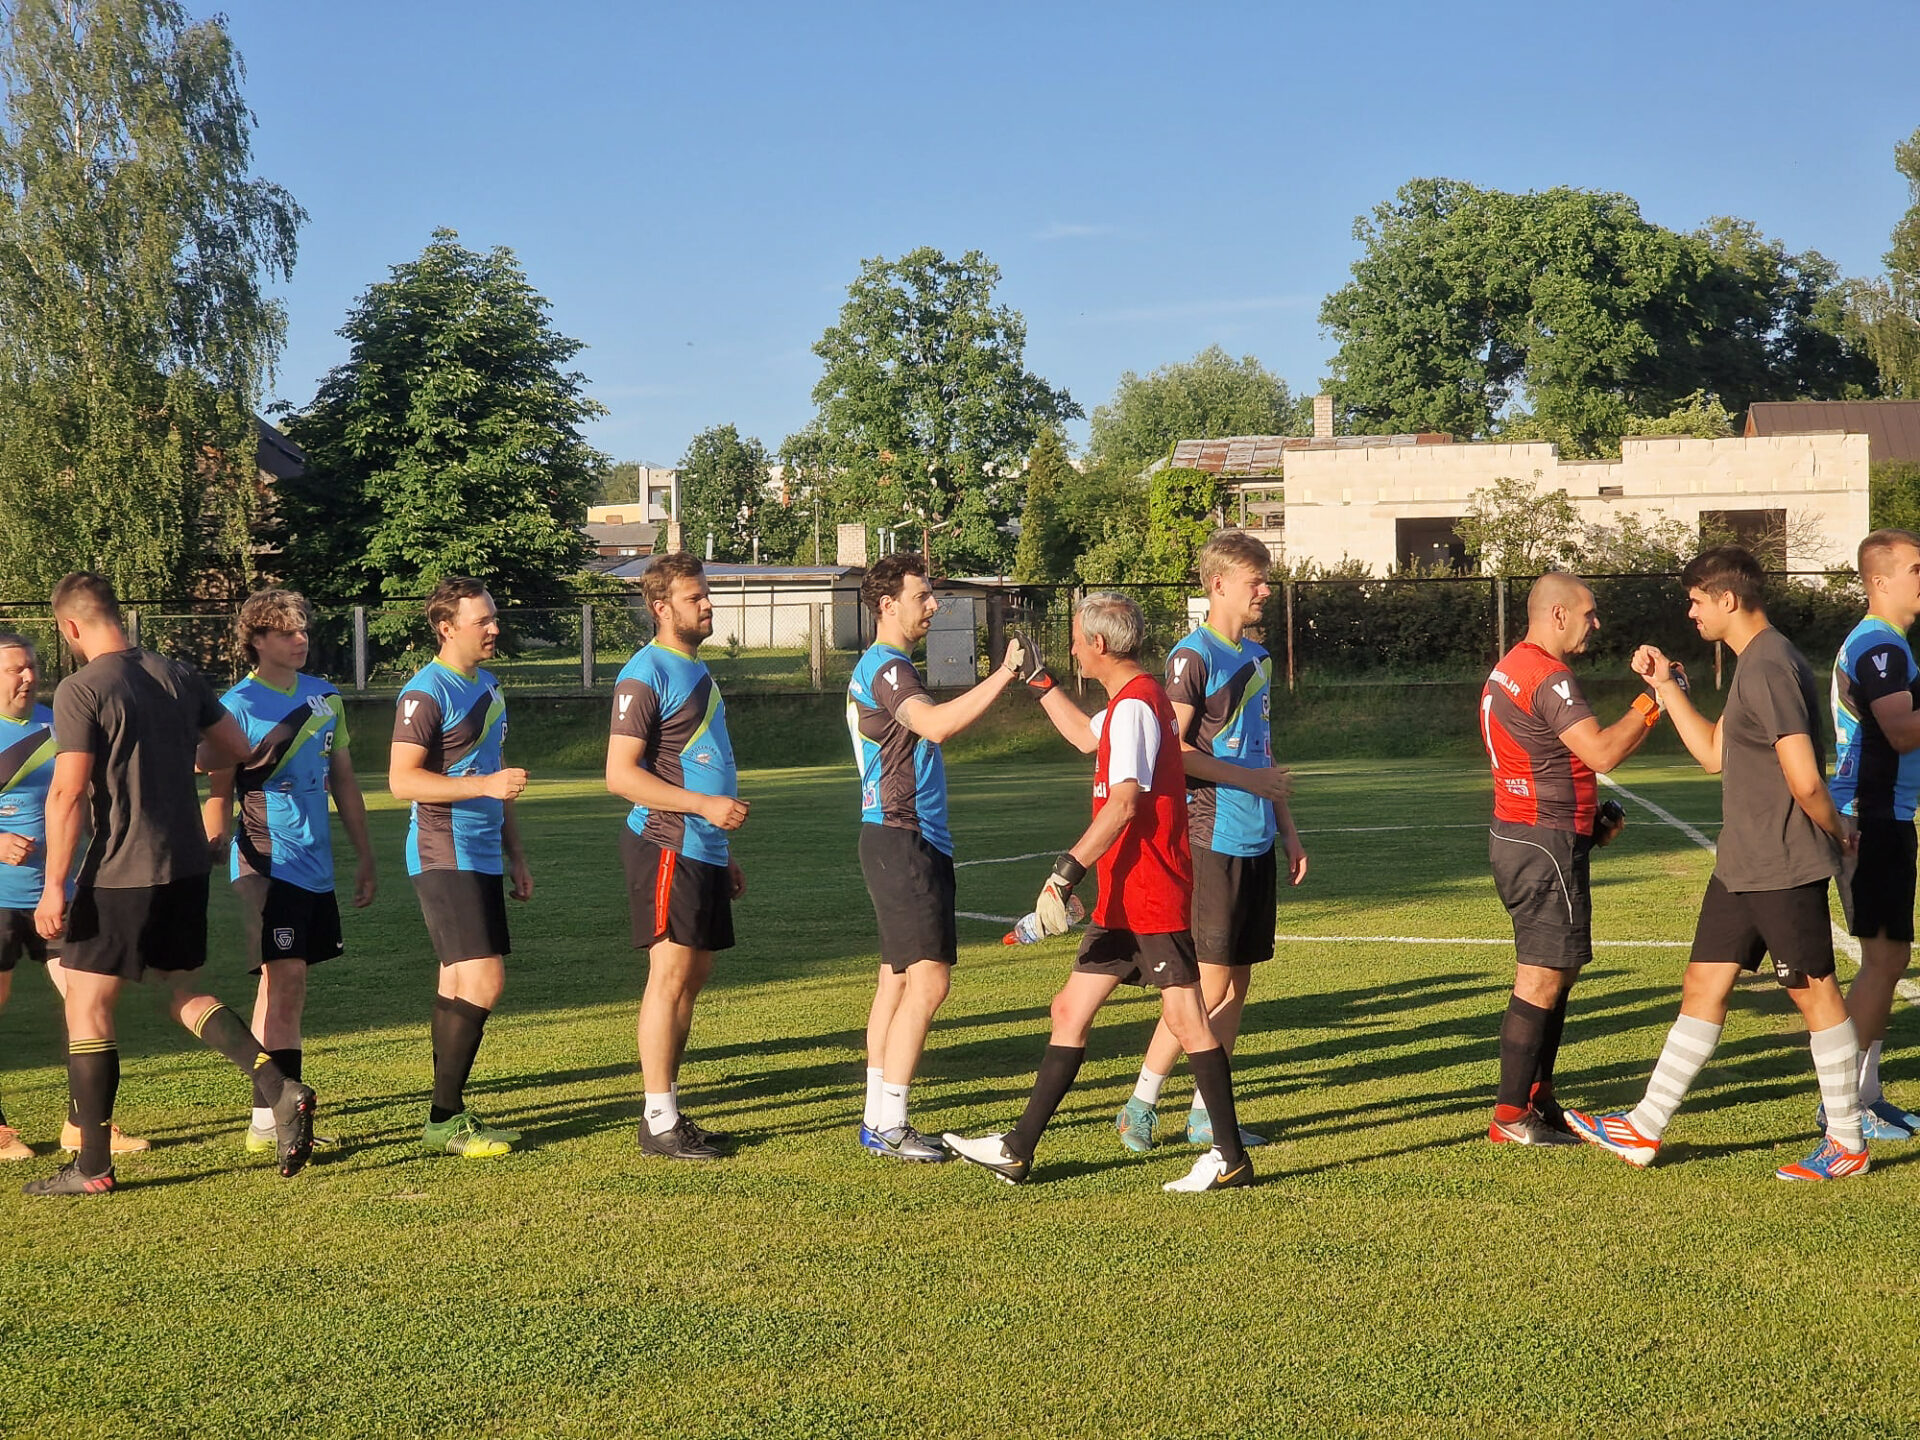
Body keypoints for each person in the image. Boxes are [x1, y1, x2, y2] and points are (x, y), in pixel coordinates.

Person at [1567, 546, 1869, 1180]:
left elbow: (1804, 777)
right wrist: (1665, 687)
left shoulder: (1770, 664)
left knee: (1814, 992)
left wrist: (1838, 828)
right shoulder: (1752, 662)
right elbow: (1713, 753)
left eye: (1697, 600)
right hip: (1742, 863)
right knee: (1703, 984)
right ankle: (1644, 1127)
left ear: (1728, 599)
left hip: (1781, 862)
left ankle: (1846, 1141)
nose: (1691, 611)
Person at [943, 592, 1255, 1192]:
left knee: (1187, 1020)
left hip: (1150, 891)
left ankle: (1230, 1158)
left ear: (1100, 644)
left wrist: (1065, 873)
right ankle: (1016, 1150)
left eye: (1076, 641)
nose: (1074, 650)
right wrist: (1040, 683)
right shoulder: (1132, 699)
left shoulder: (1136, 705)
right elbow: (1086, 737)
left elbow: (1124, 803)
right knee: (1069, 1010)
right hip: (1123, 895)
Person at [24, 573, 315, 1196]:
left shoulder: (82, 688)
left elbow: (68, 791)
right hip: (185, 864)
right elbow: (235, 748)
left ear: (69, 626)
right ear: (116, 613)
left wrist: (54, 887)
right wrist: (172, 760)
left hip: (121, 870)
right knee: (183, 990)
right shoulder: (178, 673)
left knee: (87, 1003)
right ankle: (278, 1087)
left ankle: (91, 1165)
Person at [1116, 530, 1304, 1153]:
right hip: (1212, 834)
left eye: (1267, 579)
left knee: (1238, 980)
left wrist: (1288, 830)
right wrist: (1249, 782)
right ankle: (1141, 1102)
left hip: (1255, 836)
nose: (1265, 590)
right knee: (1208, 983)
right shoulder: (1191, 657)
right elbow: (1175, 752)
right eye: (1256, 581)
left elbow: (1264, 751)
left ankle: (1205, 1113)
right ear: (1220, 584)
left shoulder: (1260, 658)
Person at [848, 552, 1027, 1162]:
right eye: (921, 595)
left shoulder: (886, 665)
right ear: (887, 604)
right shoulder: (888, 667)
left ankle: (878, 1118)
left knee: (897, 980)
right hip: (903, 837)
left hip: (896, 837)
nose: (933, 604)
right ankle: (891, 1123)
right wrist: (1004, 674)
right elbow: (936, 725)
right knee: (929, 980)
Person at [1479, 573, 1661, 1146]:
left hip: (1532, 836)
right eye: (1588, 612)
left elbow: (1546, 759)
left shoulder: (1511, 666)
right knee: (1541, 976)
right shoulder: (1546, 674)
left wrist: (1587, 824)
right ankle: (1511, 1116)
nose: (1595, 622)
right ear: (1558, 614)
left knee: (1558, 971)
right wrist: (1655, 699)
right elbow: (1601, 751)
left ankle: (1537, 1098)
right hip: (1541, 843)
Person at [203, 590, 376, 1153]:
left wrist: (364, 855)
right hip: (265, 861)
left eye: (303, 630)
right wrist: (212, 843)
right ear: (255, 640)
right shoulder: (236, 706)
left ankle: (262, 1119)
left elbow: (343, 781)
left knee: (281, 988)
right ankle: (284, 1121)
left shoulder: (326, 697)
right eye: (285, 632)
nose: (300, 640)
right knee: (287, 982)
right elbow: (219, 790)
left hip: (314, 863)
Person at [607, 553, 748, 1161]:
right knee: (668, 976)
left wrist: (722, 851)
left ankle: (669, 1109)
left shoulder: (696, 668)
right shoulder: (645, 672)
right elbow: (620, 775)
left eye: (707, 594)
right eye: (696, 598)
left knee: (693, 975)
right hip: (666, 842)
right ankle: (658, 1119)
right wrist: (704, 806)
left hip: (702, 848)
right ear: (661, 608)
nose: (708, 604)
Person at [390, 577, 532, 1159]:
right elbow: (402, 781)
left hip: (480, 851)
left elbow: (496, 772)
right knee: (484, 980)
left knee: (456, 981)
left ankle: (446, 1114)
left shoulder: (490, 686)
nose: (494, 628)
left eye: (494, 617)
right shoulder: (425, 693)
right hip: (441, 849)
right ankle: (444, 1118)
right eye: (482, 621)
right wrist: (485, 786)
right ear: (446, 628)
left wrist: (515, 854)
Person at [1825, 529, 1920, 1138]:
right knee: (1882, 957)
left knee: (1891, 956)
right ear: (1879, 580)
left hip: (1889, 814)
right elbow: (1902, 731)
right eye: (1917, 568)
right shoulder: (1878, 644)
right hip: (1870, 815)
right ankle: (1842, 1105)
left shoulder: (1891, 644)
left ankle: (1867, 1093)